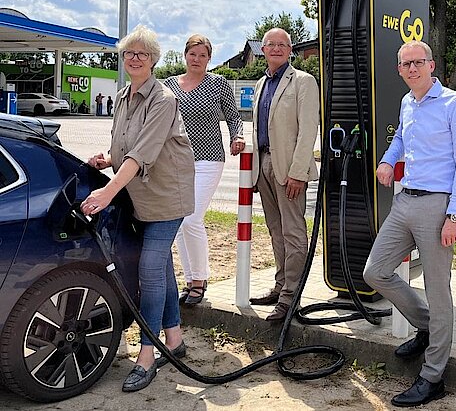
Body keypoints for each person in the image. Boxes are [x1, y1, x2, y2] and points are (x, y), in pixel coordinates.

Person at [81, 25, 195, 393]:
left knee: (149, 270)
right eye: (130, 52)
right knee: (160, 266)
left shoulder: (164, 99)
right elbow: (123, 145)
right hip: (138, 198)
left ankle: (148, 355)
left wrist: (107, 193)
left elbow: (142, 152)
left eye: (142, 54)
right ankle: (175, 339)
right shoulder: (122, 96)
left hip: (166, 198)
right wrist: (106, 159)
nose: (134, 58)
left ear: (154, 61)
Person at [363, 40, 456, 407]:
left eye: (418, 62)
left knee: (438, 290)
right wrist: (385, 160)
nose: (412, 69)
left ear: (431, 65)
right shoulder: (407, 102)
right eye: (405, 64)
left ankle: (433, 377)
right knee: (375, 271)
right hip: (405, 200)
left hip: (437, 206)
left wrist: (455, 214)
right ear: (399, 70)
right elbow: (399, 139)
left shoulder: (454, 105)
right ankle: (428, 327)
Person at [164, 34, 245, 306]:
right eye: (192, 54)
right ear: (184, 55)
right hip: (176, 161)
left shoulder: (218, 84)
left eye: (202, 55)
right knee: (178, 224)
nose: (197, 59)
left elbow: (234, 116)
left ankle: (200, 280)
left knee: (191, 218)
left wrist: (237, 137)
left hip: (209, 158)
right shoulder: (169, 85)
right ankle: (190, 280)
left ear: (209, 59)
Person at [249, 28, 319, 321]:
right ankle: (281, 285)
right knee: (275, 230)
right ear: (262, 49)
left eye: (283, 45)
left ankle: (291, 297)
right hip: (264, 164)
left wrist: (298, 171)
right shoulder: (260, 84)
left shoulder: (303, 81)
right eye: (271, 44)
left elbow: (307, 130)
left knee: (293, 232)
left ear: (290, 50)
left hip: (290, 169)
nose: (276, 49)